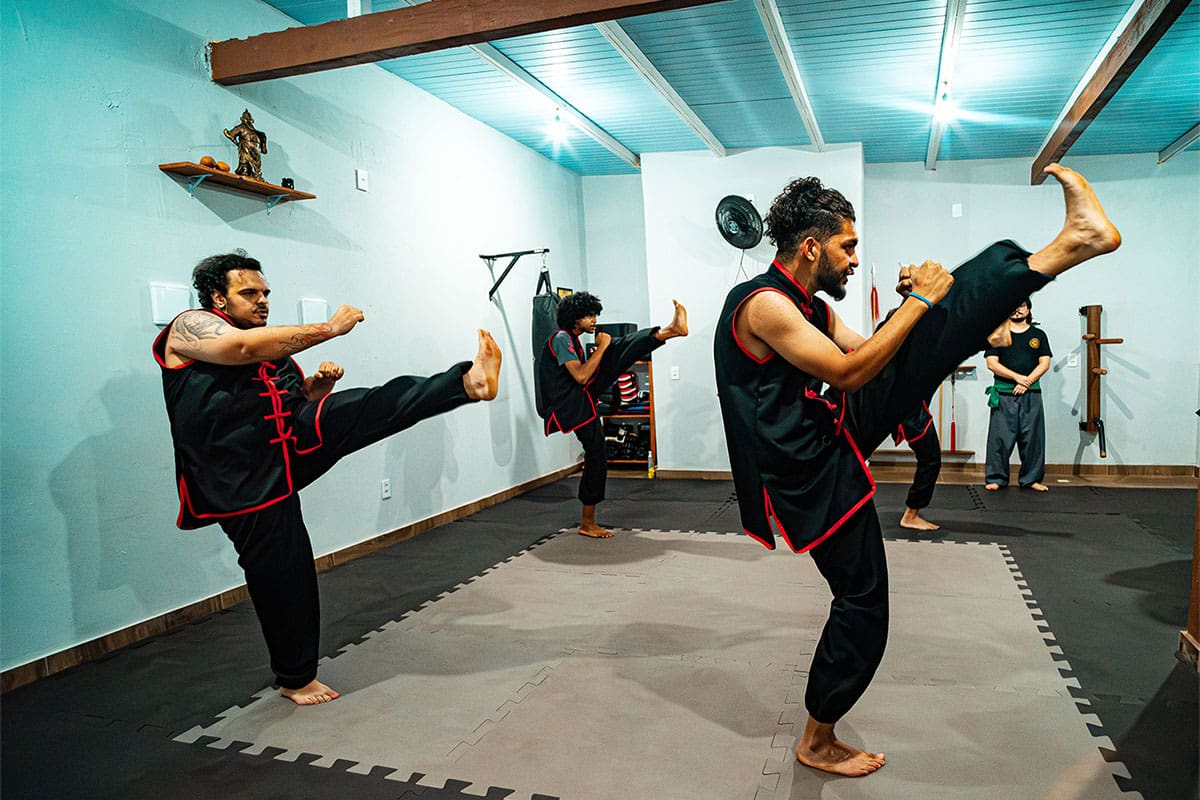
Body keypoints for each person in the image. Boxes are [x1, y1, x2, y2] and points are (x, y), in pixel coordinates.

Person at [713, 163, 1119, 776]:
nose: (854, 260)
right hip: (801, 473)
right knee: (863, 602)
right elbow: (850, 372)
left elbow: (864, 348)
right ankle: (816, 739)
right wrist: (921, 301)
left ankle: (1067, 248)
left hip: (826, 435)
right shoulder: (766, 306)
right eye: (848, 247)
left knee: (925, 330)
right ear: (811, 247)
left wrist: (918, 305)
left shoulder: (806, 305)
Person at [152, 250, 501, 705]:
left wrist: (319, 388)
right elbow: (237, 349)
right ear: (217, 296)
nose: (262, 301)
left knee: (363, 405)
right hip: (239, 481)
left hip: (286, 451)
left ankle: (466, 383)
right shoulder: (189, 327)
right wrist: (329, 329)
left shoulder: (271, 346)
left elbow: (296, 400)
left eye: (265, 293)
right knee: (284, 573)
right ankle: (296, 678)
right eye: (249, 293)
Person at [536, 292, 687, 538]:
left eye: (595, 314)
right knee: (597, 456)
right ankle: (587, 523)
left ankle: (669, 331)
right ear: (575, 317)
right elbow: (582, 376)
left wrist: (606, 349)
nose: (594, 320)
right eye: (589, 315)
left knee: (616, 349)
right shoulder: (562, 339)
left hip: (581, 399)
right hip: (571, 406)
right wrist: (602, 347)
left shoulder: (572, 339)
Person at [876, 311, 942, 531]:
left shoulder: (917, 335)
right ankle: (911, 515)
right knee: (931, 458)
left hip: (901, 405)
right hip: (906, 409)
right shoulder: (896, 328)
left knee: (852, 453)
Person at [984, 299, 1052, 491]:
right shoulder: (998, 335)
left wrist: (1027, 382)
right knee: (999, 438)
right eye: (1012, 305)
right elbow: (992, 363)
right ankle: (996, 478)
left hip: (1031, 393)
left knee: (1033, 439)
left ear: (1028, 308)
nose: (1017, 309)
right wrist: (1018, 378)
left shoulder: (1038, 335)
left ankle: (1032, 479)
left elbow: (1044, 363)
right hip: (1004, 394)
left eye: (1021, 305)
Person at [223, 109, 267, 181]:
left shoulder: (256, 132)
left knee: (256, 166)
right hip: (246, 148)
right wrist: (235, 141)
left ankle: (255, 174)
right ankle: (245, 171)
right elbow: (230, 134)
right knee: (245, 164)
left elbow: (263, 148)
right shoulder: (241, 127)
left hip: (256, 150)